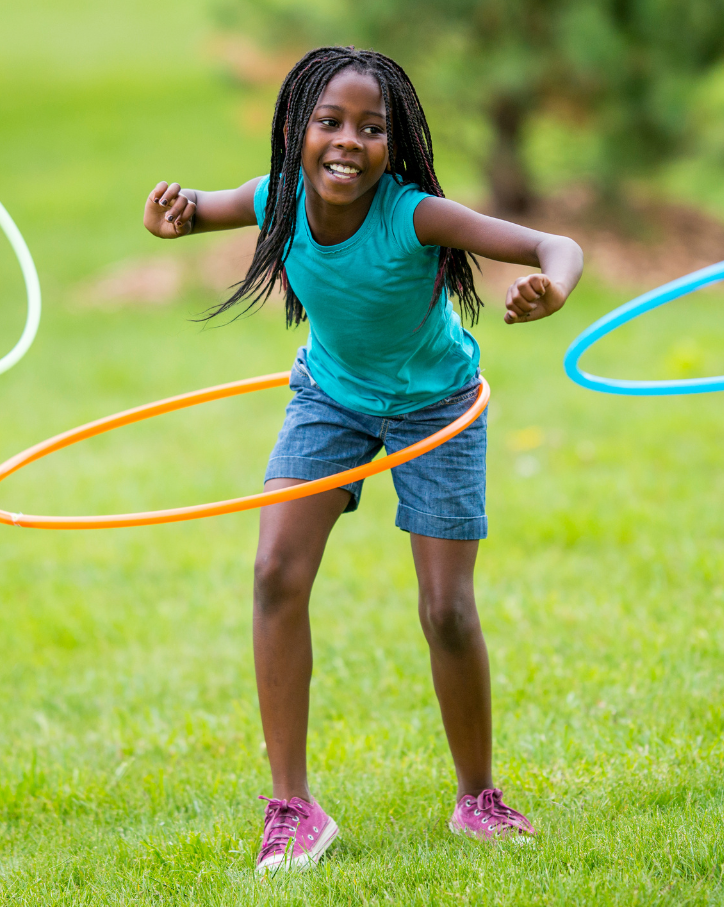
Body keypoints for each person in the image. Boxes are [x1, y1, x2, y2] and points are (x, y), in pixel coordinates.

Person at [143, 47, 583, 871]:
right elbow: (197, 208)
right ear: (296, 131)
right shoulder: (278, 199)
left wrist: (552, 288)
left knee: (445, 609)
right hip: (331, 397)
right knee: (274, 570)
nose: (348, 142)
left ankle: (478, 797)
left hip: (436, 404)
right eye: (329, 122)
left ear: (396, 143)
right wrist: (170, 213)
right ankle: (293, 807)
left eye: (371, 129)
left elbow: (555, 245)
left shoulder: (414, 215)